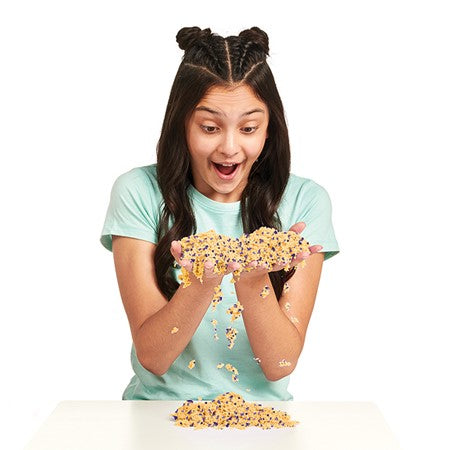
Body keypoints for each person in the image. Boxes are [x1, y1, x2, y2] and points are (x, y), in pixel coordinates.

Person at [100, 26, 340, 401]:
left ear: (269, 130)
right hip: (157, 416)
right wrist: (201, 282)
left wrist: (252, 278)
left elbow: (279, 363)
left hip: (262, 420)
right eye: (210, 127)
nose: (230, 147)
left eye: (248, 128)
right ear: (182, 123)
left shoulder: (304, 202)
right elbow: (152, 357)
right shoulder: (138, 192)